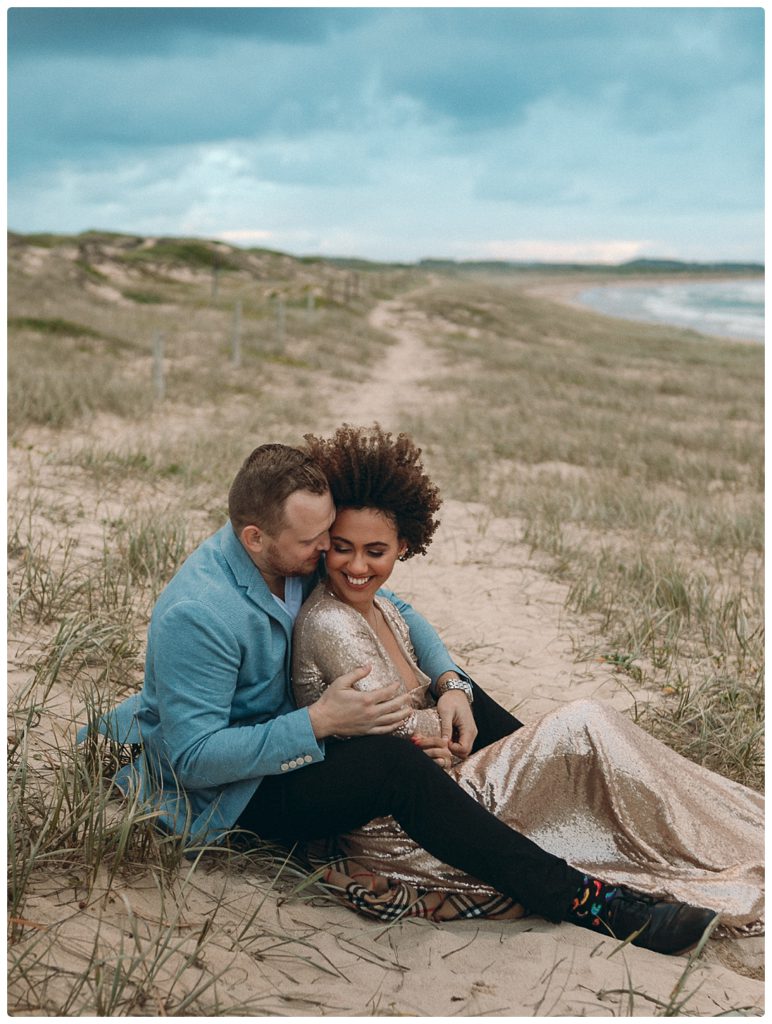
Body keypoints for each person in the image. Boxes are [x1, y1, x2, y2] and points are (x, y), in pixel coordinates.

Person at [84, 435, 730, 959]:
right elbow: (195, 759)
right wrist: (316, 722)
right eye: (319, 543)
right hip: (240, 792)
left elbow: (399, 610)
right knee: (396, 768)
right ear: (256, 537)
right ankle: (591, 902)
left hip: (301, 735)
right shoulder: (199, 613)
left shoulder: (292, 559)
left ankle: (545, 798)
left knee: (467, 698)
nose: (331, 556)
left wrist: (450, 684)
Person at [291, 424, 763, 945]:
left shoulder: (383, 608)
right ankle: (731, 840)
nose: (356, 565)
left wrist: (452, 689)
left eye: (374, 551)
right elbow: (404, 733)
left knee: (590, 735)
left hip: (450, 779)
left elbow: (427, 688)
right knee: (584, 726)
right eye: (341, 548)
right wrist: (445, 727)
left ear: (404, 546)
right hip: (405, 828)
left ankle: (733, 830)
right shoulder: (330, 621)